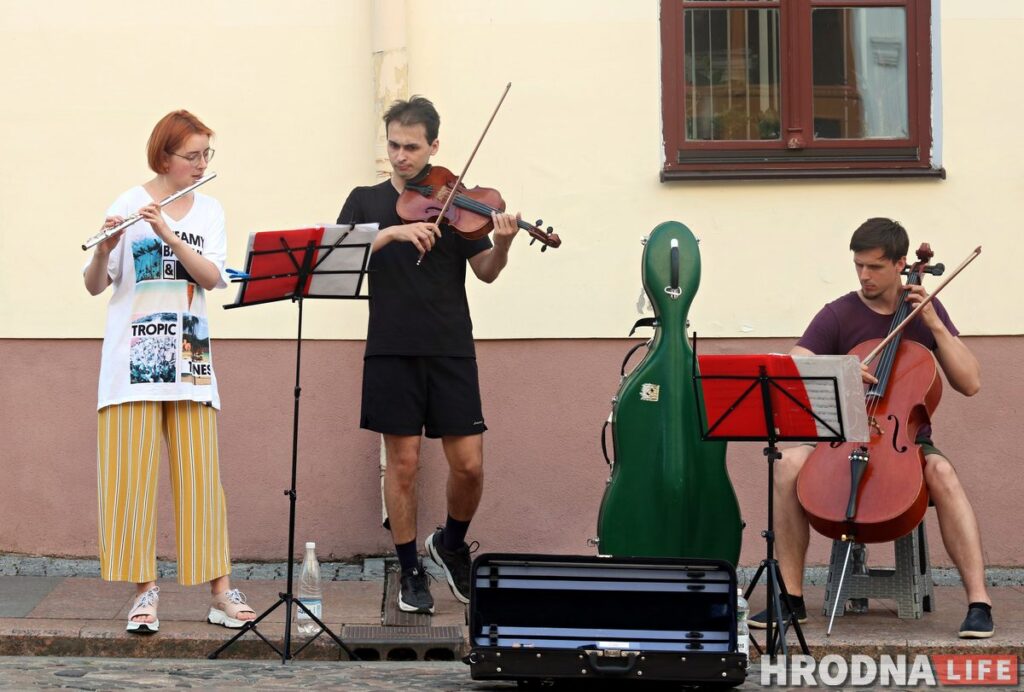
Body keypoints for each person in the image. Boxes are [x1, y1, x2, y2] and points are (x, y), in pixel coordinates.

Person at [749, 218, 993, 639]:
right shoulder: (839, 313)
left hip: (905, 442)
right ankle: (791, 598)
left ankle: (979, 602)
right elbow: (794, 363)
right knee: (786, 463)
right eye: (859, 265)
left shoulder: (925, 313)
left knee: (943, 472)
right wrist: (840, 367)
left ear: (901, 264)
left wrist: (934, 324)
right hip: (841, 436)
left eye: (875, 267)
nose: (864, 275)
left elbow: (970, 382)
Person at [337, 96, 520, 614]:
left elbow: (486, 271)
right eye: (394, 145)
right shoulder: (365, 201)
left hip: (450, 346)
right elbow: (338, 256)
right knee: (403, 465)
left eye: (412, 147)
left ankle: (451, 543)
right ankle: (409, 568)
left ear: (434, 146)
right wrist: (393, 233)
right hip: (392, 347)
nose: (400, 156)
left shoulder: (456, 201)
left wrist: (505, 244)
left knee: (469, 465)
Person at [83, 110, 255, 634]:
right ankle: (144, 593)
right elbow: (95, 284)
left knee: (202, 482)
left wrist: (170, 233)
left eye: (206, 155)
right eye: (192, 156)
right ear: (164, 157)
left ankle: (220, 593)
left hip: (189, 357)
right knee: (130, 483)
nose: (201, 164)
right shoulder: (126, 203)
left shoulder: (209, 210)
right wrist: (105, 248)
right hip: (131, 361)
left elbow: (212, 277)